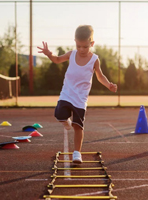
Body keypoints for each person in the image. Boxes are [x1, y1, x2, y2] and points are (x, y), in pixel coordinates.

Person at [37, 25, 117, 164]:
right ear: (75, 42)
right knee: (59, 114)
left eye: (85, 46)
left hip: (80, 99)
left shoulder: (94, 59)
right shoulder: (71, 54)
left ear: (91, 43)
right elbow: (57, 60)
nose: (81, 49)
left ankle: (77, 153)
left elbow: (100, 76)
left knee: (78, 126)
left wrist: (109, 84)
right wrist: (49, 54)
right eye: (79, 46)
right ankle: (66, 122)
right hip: (67, 94)